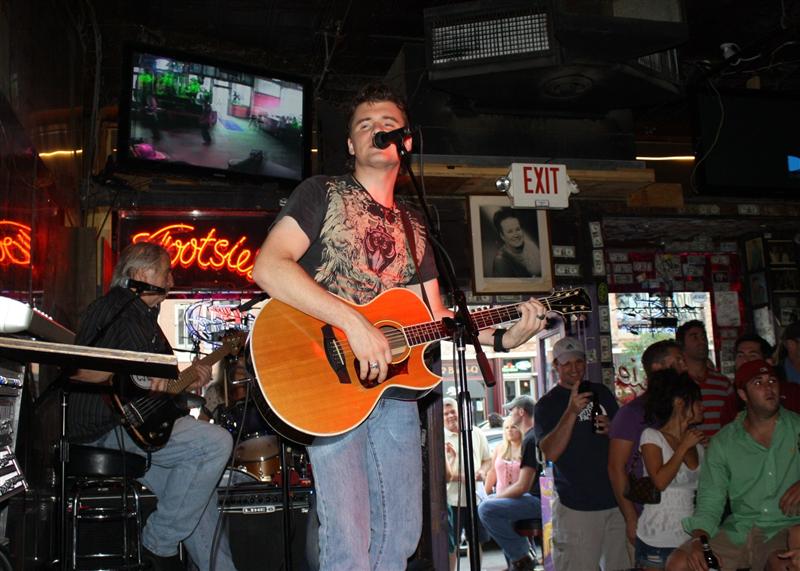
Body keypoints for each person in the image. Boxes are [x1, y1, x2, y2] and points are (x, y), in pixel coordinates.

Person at [251, 83, 547, 571]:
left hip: (395, 390)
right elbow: (268, 267)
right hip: (328, 382)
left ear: (405, 141)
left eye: (388, 124)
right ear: (350, 145)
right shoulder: (321, 192)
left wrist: (501, 338)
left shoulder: (415, 225)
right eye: (364, 125)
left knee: (403, 534)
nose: (377, 131)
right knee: (349, 537)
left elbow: (436, 318)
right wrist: (353, 322)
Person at [66, 242, 235, 571]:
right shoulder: (114, 308)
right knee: (215, 442)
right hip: (107, 428)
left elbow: (152, 387)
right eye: (166, 272)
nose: (172, 280)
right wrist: (145, 377)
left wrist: (185, 378)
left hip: (135, 429)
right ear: (142, 274)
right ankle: (157, 543)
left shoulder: (143, 318)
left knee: (196, 497)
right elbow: (90, 371)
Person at [666, 359, 800, 571]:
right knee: (680, 563)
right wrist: (699, 540)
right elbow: (710, 501)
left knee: (785, 564)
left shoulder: (796, 427)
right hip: (740, 529)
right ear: (743, 394)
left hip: (785, 528)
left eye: (772, 381)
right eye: (758, 383)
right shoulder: (724, 441)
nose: (769, 388)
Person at [534, 337, 630, 571]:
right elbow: (550, 453)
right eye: (566, 363)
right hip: (576, 505)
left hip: (617, 499)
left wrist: (613, 429)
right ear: (556, 366)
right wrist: (571, 411)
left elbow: (624, 441)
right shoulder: (547, 404)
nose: (574, 368)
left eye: (578, 361)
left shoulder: (602, 392)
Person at [608, 340, 687, 550]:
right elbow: (616, 467)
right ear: (657, 368)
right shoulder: (632, 413)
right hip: (647, 516)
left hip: (684, 513)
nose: (684, 367)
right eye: (678, 361)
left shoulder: (682, 410)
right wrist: (630, 518)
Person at [635, 370, 705, 570]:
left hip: (689, 537)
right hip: (657, 537)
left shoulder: (698, 445)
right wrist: (683, 447)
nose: (703, 407)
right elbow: (660, 481)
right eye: (697, 401)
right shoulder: (652, 436)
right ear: (679, 403)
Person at [478, 395, 541, 571]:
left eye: (511, 411)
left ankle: (522, 556)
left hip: (538, 501)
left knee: (486, 509)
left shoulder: (530, 439)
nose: (509, 415)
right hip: (537, 498)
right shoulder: (532, 436)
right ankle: (520, 557)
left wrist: (496, 497)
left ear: (521, 412)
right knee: (490, 506)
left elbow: (522, 486)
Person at [443, 397, 491, 571]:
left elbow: (487, 460)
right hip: (451, 500)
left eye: (453, 411)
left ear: (460, 412)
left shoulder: (476, 432)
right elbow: (442, 475)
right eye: (446, 413)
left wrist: (483, 472)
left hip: (475, 499)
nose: (450, 416)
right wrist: (462, 477)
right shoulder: (439, 437)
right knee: (451, 545)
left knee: (475, 541)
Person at [675, 320, 737, 438]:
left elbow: (732, 421)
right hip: (687, 447)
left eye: (704, 337)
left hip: (720, 447)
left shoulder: (722, 383)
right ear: (682, 345)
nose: (702, 341)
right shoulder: (676, 383)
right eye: (694, 337)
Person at [490, 208, 541, 278]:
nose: (516, 235)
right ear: (502, 236)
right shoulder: (500, 261)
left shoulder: (531, 246)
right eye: (510, 231)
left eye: (518, 229)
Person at [483, 415, 523, 496]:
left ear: (520, 429)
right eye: (507, 428)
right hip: (500, 497)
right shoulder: (499, 448)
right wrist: (487, 493)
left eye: (513, 427)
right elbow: (492, 471)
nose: (509, 430)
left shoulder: (526, 448)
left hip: (521, 497)